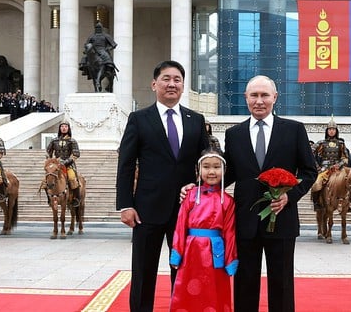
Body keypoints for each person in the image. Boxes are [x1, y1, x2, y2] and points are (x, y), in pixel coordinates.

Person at [115, 60, 209, 311]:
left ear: (183, 86)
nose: (172, 84)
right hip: (147, 209)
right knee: (144, 271)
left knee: (184, 270)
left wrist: (199, 189)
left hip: (186, 210)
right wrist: (125, 205)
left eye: (177, 79)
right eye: (166, 79)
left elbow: (207, 163)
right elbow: (126, 164)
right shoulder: (139, 119)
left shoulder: (196, 120)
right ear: (154, 84)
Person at [223, 75, 317, 311]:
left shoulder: (294, 130)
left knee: (282, 284)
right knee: (245, 283)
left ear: (275, 97)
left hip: (282, 220)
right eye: (253, 95)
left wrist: (290, 196)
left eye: (264, 95)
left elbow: (309, 172)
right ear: (246, 98)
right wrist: (199, 187)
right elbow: (228, 174)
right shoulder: (234, 134)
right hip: (245, 221)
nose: (259, 101)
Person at [169, 148, 238, 311]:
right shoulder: (190, 195)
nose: (211, 171)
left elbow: (230, 232)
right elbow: (180, 225)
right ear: (198, 169)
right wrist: (177, 252)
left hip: (216, 254)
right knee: (188, 289)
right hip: (191, 250)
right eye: (206, 167)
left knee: (214, 291)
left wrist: (231, 259)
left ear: (224, 170)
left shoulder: (228, 201)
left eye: (216, 167)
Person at [310, 116, 348, 210]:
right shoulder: (321, 143)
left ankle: (348, 203)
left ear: (336, 131)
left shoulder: (341, 143)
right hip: (324, 169)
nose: (331, 131)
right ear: (327, 131)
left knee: (349, 182)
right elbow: (309, 154)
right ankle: (316, 203)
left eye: (333, 129)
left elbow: (345, 158)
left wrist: (338, 165)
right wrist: (317, 167)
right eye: (330, 129)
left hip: (338, 169)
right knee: (316, 184)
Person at [46, 121, 81, 207]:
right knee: (45, 181)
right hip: (56, 165)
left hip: (68, 165)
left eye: (65, 126)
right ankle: (49, 197)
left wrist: (65, 162)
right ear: (59, 128)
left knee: (73, 179)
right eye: (62, 126)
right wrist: (50, 161)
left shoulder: (72, 141)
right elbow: (48, 151)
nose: (64, 128)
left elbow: (76, 154)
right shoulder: (54, 140)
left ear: (68, 128)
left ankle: (76, 198)